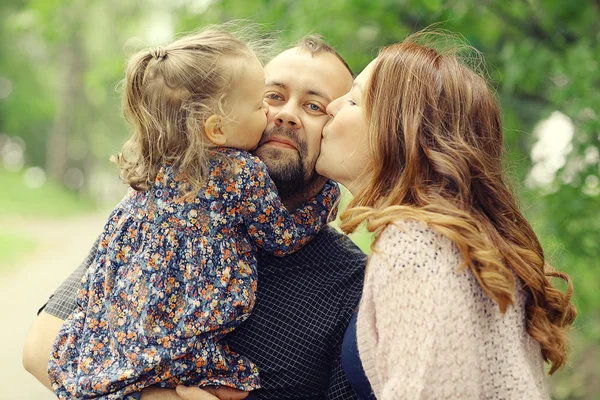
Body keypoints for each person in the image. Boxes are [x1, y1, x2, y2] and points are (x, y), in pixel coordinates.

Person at [23, 34, 366, 400]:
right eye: (271, 97)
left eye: (315, 107)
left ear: (338, 129)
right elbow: (41, 347)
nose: (283, 114)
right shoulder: (159, 204)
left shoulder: (353, 283)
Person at [315, 32, 577, 399]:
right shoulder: (459, 244)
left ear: (398, 131)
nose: (331, 106)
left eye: (354, 100)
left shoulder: (417, 247)